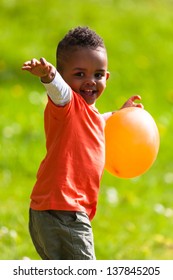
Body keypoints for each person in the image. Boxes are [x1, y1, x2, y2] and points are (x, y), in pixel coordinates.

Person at [22, 26, 143, 260]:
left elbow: (99, 122)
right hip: (64, 210)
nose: (90, 81)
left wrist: (121, 115)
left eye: (98, 75)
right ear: (63, 75)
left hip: (54, 210)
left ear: (106, 77)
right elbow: (58, 91)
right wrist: (49, 76)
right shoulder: (66, 105)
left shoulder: (90, 113)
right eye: (79, 74)